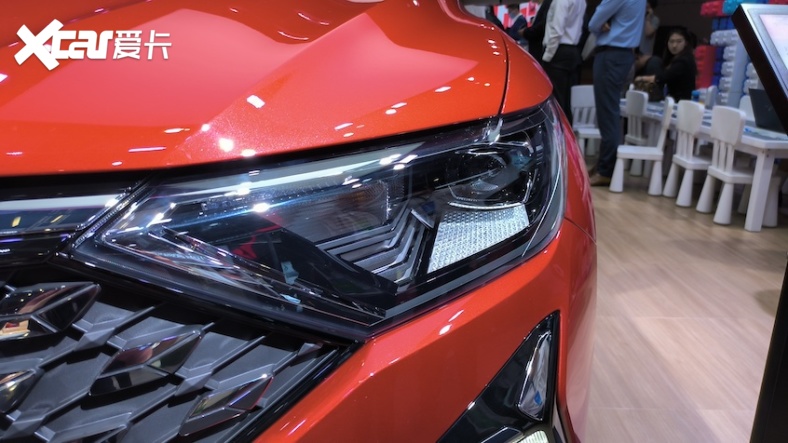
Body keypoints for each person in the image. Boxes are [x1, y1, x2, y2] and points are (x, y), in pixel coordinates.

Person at [587, 0, 646, 186]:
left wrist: (604, 23)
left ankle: (605, 169)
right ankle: (603, 165)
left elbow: (593, 23)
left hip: (611, 54)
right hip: (625, 54)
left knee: (607, 113)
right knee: (611, 111)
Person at [541, 0, 586, 123]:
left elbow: (557, 31)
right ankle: (567, 131)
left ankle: (560, 133)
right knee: (566, 101)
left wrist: (547, 57)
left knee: (557, 102)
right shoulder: (581, 1)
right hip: (571, 50)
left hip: (557, 51)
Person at [635, 28, 697, 101]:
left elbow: (664, 77)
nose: (674, 45)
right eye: (671, 41)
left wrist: (642, 78)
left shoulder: (684, 60)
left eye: (679, 41)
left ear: (686, 43)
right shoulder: (673, 58)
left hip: (681, 101)